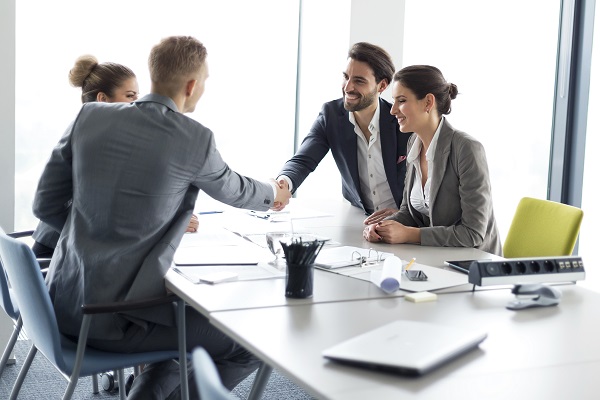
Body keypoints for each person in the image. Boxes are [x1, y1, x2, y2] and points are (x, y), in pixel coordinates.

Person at [32, 36, 291, 399]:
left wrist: (94, 237)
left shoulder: (90, 115)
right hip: (114, 319)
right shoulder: (193, 138)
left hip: (60, 303)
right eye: (206, 79)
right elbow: (236, 190)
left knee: (181, 319)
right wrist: (275, 193)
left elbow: (45, 205)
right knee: (247, 341)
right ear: (191, 85)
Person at [31, 55, 199, 258]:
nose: (137, 104)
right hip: (58, 255)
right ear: (102, 99)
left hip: (57, 252)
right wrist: (166, 226)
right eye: (130, 96)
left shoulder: (96, 135)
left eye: (138, 97)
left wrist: (170, 219)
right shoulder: (95, 143)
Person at [363, 65, 502, 256]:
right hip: (436, 257)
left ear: (428, 102)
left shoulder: (466, 149)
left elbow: (473, 234)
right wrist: (381, 228)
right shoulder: (414, 142)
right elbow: (408, 212)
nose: (393, 110)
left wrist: (410, 235)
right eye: (394, 102)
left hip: (472, 264)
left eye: (401, 101)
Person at [276, 42, 410, 216]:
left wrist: (404, 216)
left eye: (359, 81)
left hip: (402, 221)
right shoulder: (331, 116)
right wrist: (284, 183)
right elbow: (303, 160)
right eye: (346, 77)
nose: (348, 87)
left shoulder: (402, 121)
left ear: (382, 86)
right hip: (359, 218)